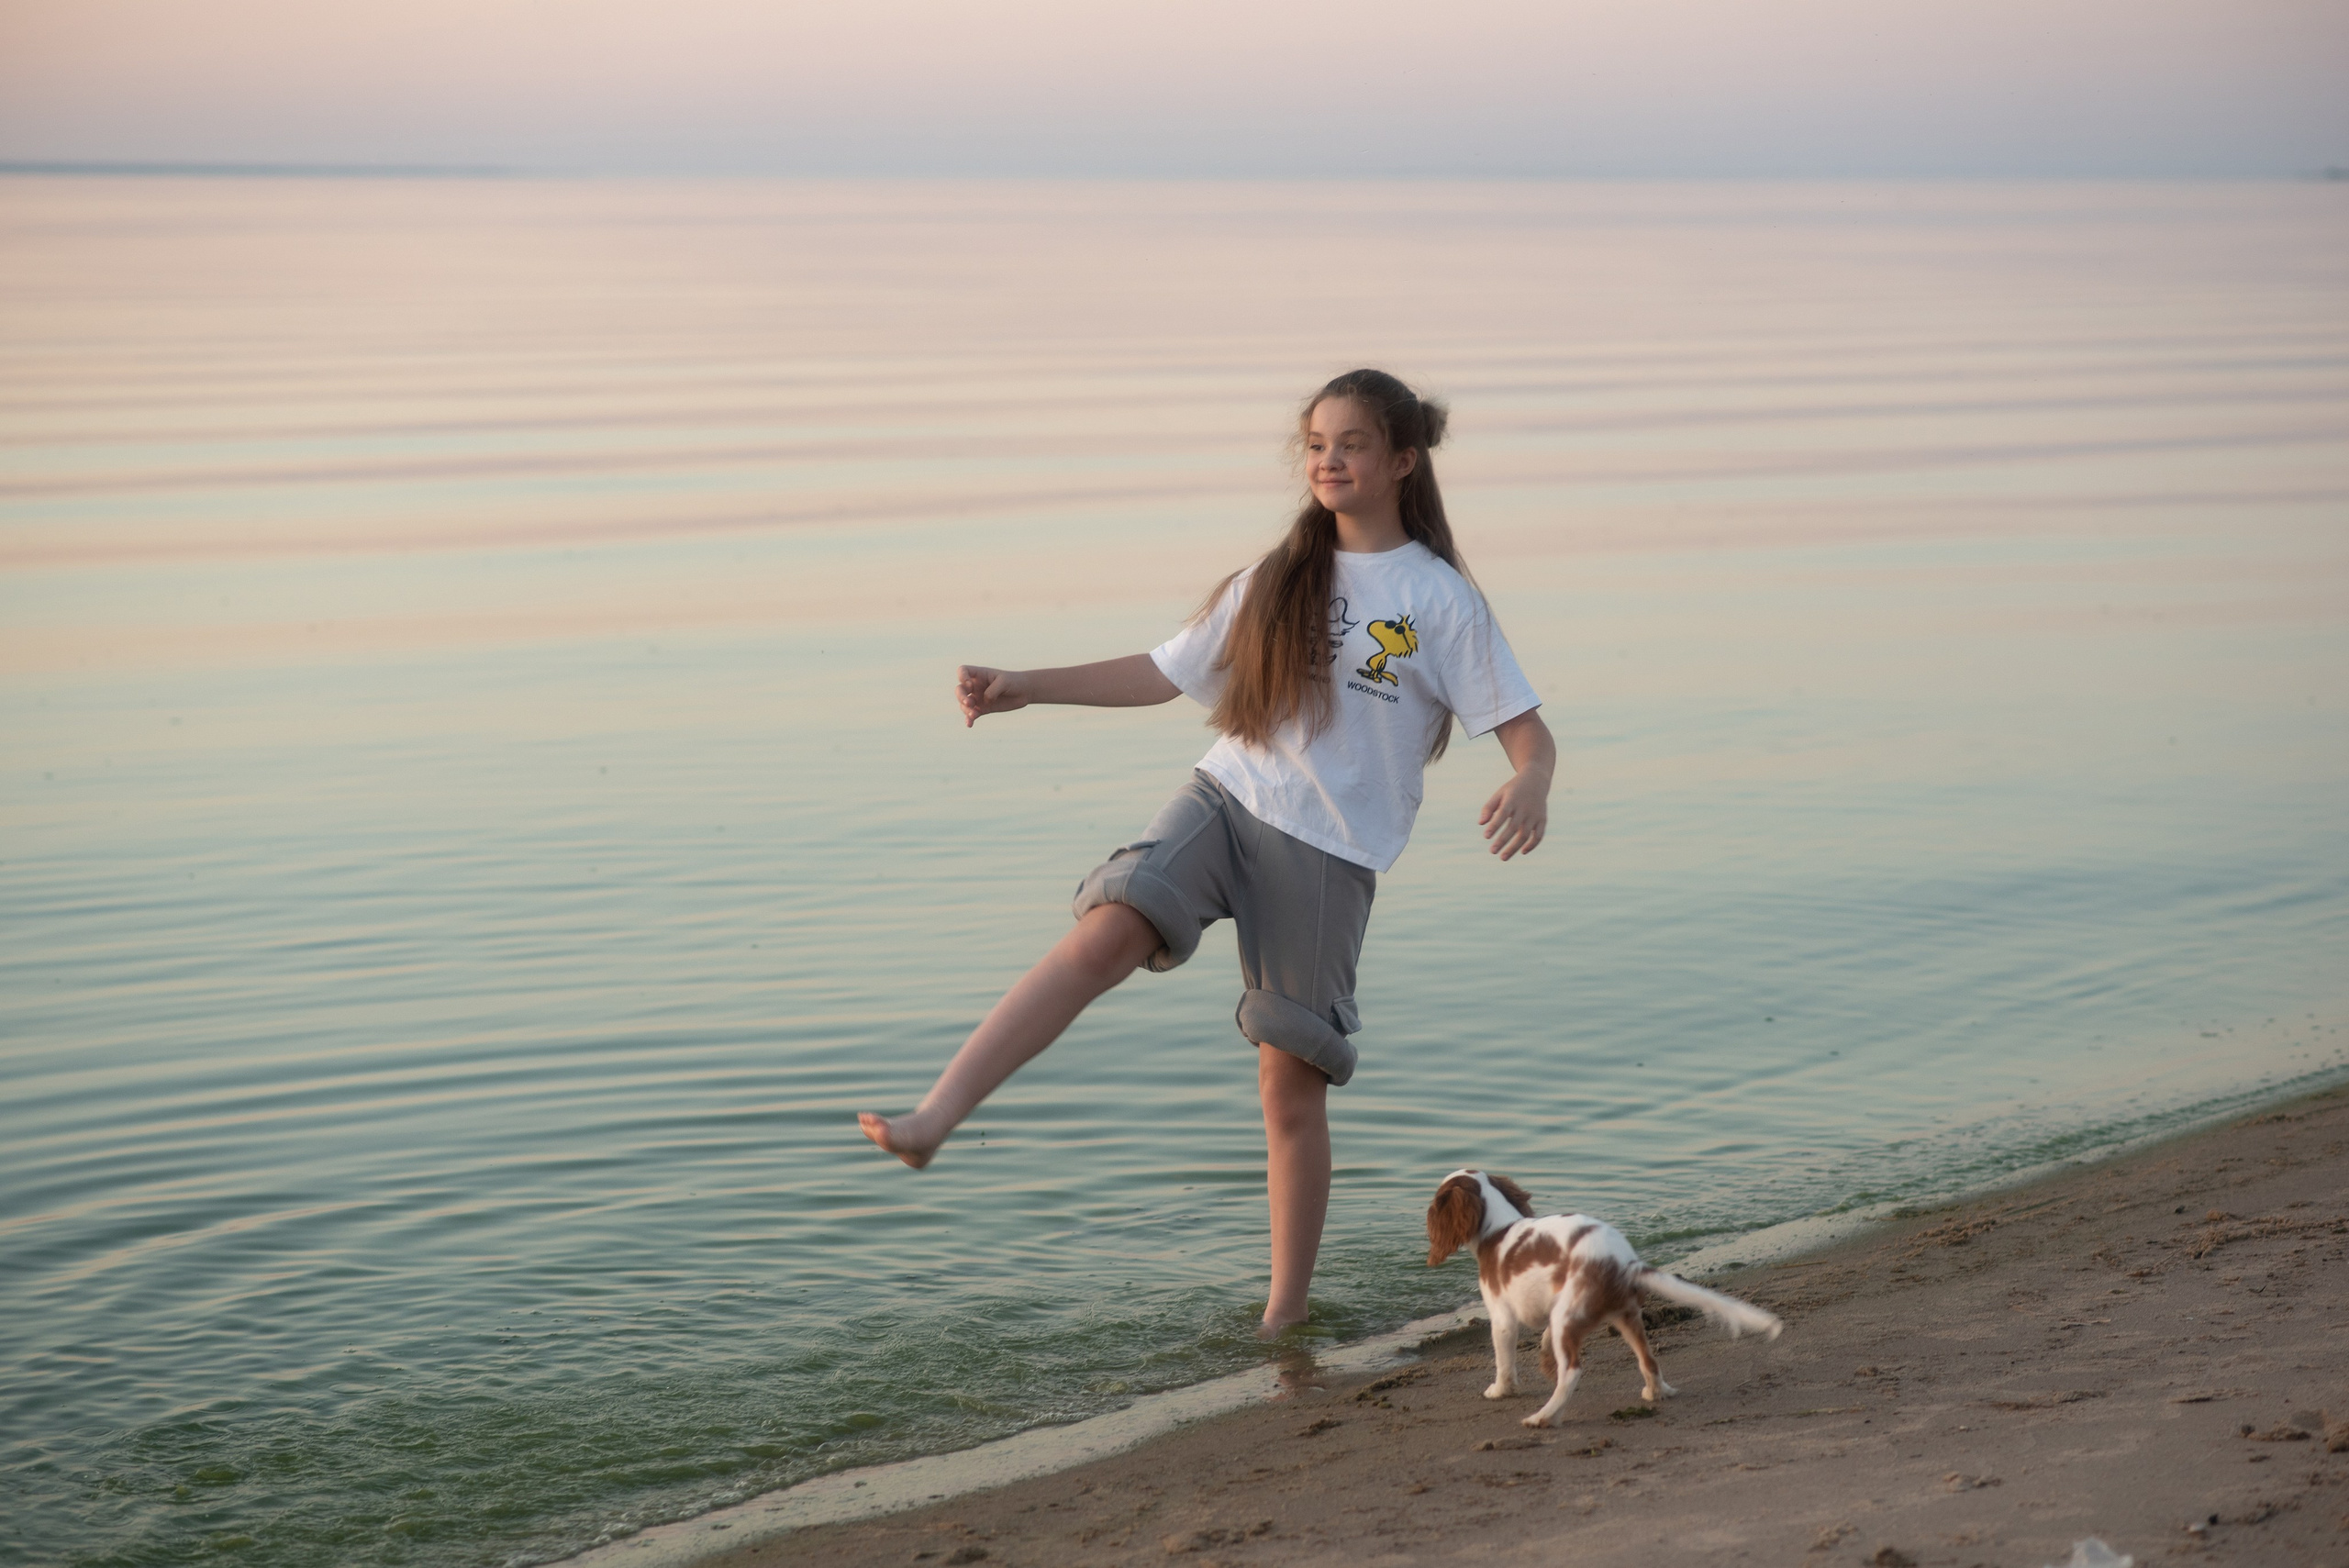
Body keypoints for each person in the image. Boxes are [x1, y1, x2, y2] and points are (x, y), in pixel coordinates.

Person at [860, 368, 1554, 1338]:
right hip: (1226, 795)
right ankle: (935, 1118)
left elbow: (1525, 729)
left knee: (1288, 1085)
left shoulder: (1441, 601)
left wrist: (1529, 781)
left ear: (1400, 459)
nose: (1328, 458)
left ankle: (1282, 1316)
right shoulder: (1277, 574)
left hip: (1326, 851)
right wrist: (1026, 683)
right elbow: (1159, 672)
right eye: (1316, 442)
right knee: (1105, 930)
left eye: (1351, 442)